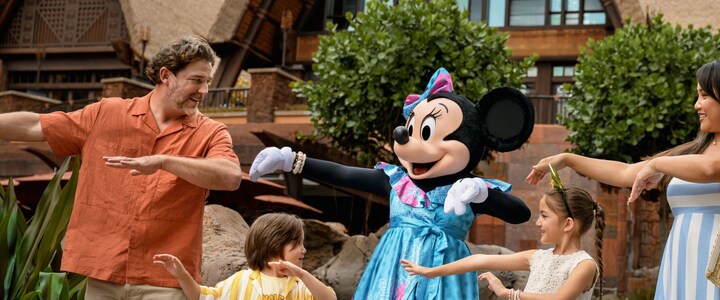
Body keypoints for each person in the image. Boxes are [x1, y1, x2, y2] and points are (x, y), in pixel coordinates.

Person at [526, 56, 720, 300]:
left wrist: (658, 164)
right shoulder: (694, 151)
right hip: (679, 270)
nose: (697, 105)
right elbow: (625, 173)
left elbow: (711, 170)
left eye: (704, 96)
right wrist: (567, 160)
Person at [248, 68, 533, 299]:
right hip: (392, 274)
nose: (410, 142)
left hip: (444, 279)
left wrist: (482, 193)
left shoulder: (468, 189)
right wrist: (292, 160)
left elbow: (520, 213)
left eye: (426, 133)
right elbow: (344, 174)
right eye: (412, 130)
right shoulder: (397, 181)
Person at [0, 35, 242, 298]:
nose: (204, 91)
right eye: (196, 80)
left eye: (207, 82)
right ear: (166, 75)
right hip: (104, 273)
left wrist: (164, 162)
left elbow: (230, 176)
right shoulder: (107, 113)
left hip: (166, 282)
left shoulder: (211, 132)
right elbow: (36, 125)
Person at [401, 177, 605, 300]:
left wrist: (507, 293)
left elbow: (558, 299)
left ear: (568, 224)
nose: (538, 223)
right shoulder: (537, 257)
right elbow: (479, 260)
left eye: (544, 216)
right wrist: (431, 272)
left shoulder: (584, 265)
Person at [153, 213, 336, 300]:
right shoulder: (240, 281)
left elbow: (329, 299)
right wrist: (182, 275)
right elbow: (202, 296)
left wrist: (302, 275)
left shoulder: (301, 286)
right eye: (296, 244)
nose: (303, 250)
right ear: (273, 245)